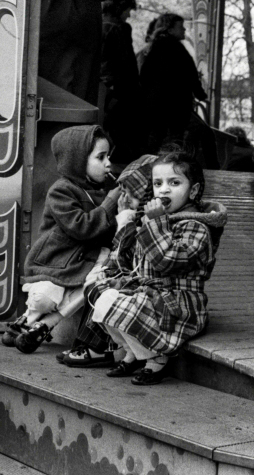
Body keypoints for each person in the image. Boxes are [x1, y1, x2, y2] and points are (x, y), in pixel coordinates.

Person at [90, 151, 227, 385]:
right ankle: (133, 352)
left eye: (174, 183)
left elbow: (167, 261)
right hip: (152, 295)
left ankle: (157, 360)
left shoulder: (197, 228)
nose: (163, 190)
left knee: (124, 305)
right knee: (103, 295)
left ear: (193, 191)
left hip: (179, 304)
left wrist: (155, 224)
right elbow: (140, 264)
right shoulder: (158, 220)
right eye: (157, 183)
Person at [4, 125, 119, 352]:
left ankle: (45, 325)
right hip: (58, 260)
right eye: (101, 157)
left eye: (109, 157)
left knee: (94, 285)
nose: (109, 164)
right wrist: (110, 205)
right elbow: (81, 227)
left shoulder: (102, 191)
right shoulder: (61, 190)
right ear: (77, 161)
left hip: (85, 261)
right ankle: (28, 319)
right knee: (44, 300)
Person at [61, 154, 157, 368]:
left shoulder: (147, 222)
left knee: (103, 286)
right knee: (98, 281)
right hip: (132, 279)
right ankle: (87, 344)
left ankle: (94, 347)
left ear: (145, 196)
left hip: (143, 285)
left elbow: (124, 260)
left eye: (131, 195)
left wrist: (124, 222)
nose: (125, 200)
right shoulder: (138, 217)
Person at [139, 14, 209, 155]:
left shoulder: (153, 49)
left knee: (155, 138)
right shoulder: (177, 49)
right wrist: (200, 94)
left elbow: (144, 76)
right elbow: (191, 74)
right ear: (170, 30)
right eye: (181, 27)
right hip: (177, 105)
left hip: (155, 105)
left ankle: (148, 166)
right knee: (178, 138)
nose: (184, 30)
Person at [101, 0, 143, 163]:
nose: (128, 15)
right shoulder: (119, 30)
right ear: (119, 8)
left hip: (106, 89)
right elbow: (126, 65)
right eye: (127, 10)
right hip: (121, 91)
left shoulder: (98, 26)